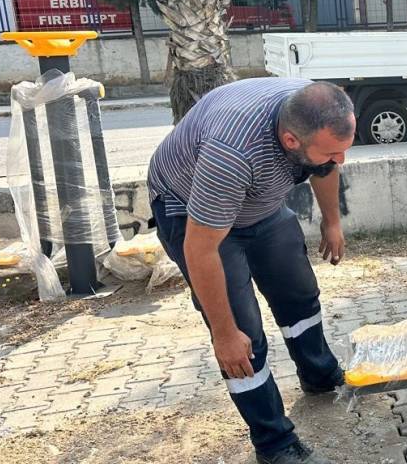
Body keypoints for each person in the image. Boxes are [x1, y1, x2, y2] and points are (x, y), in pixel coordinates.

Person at [147, 79, 355, 464]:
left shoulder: (312, 111)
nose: (340, 159)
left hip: (259, 204)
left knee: (298, 292)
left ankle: (319, 374)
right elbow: (201, 248)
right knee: (243, 336)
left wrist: (332, 222)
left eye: (345, 148)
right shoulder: (233, 153)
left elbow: (325, 168)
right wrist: (223, 333)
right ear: (291, 141)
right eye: (332, 151)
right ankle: (274, 444)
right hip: (192, 211)